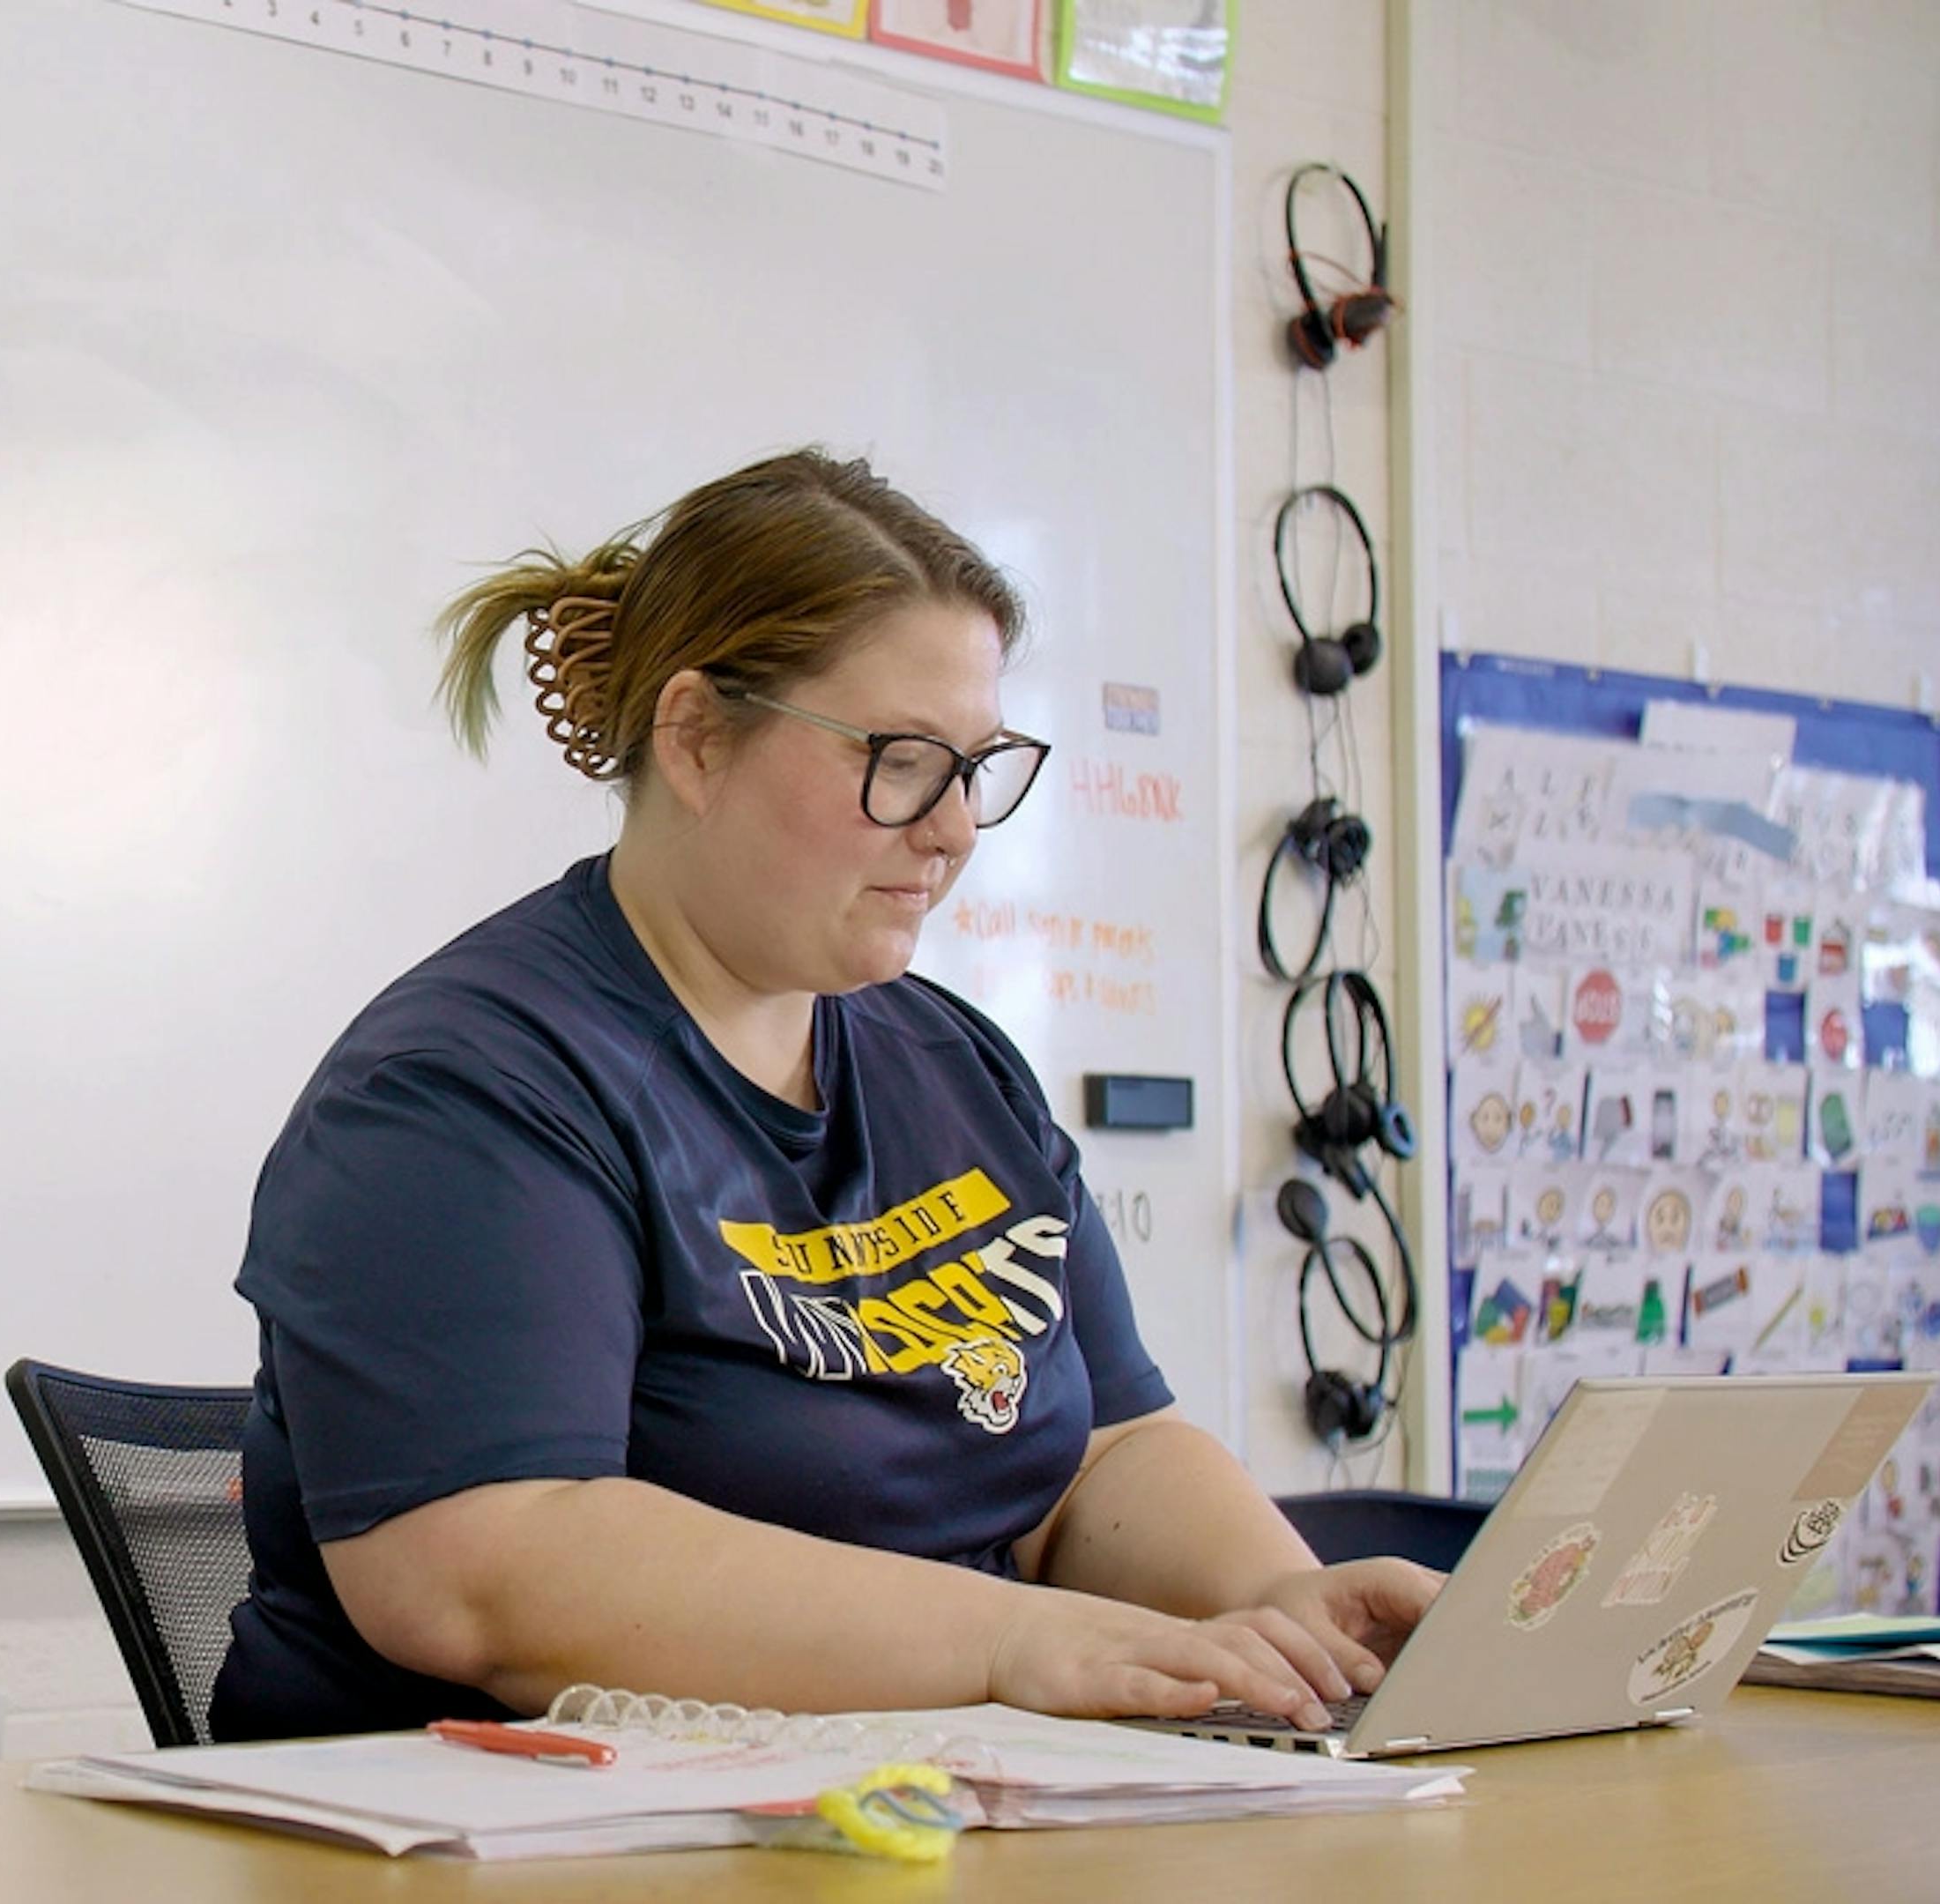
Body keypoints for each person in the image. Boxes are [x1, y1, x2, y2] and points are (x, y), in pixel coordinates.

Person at [208, 449, 1440, 1744]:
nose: (956, 827)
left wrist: (1285, 1610)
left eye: (980, 766)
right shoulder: (462, 1092)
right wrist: (1019, 1642)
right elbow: (490, 1571)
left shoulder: (954, 1066)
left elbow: (1104, 1454)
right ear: (695, 738)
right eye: (903, 759)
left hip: (917, 1804)